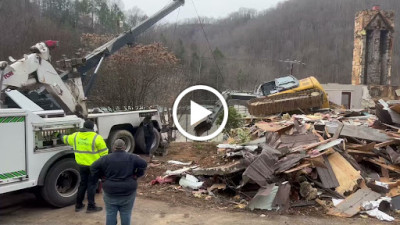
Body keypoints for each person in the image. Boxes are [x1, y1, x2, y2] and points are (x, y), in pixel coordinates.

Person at [91, 139, 147, 225]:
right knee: (126, 213)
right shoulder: (132, 157)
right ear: (124, 147)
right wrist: (137, 175)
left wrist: (101, 177)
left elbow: (93, 167)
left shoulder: (105, 158)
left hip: (110, 191)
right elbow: (143, 163)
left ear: (113, 148)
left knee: (110, 214)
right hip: (128, 191)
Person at [61, 120, 108, 213]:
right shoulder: (97, 138)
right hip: (94, 166)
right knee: (92, 185)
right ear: (92, 127)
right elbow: (104, 154)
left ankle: (78, 205)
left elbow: (65, 139)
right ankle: (91, 206)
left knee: (82, 184)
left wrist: (58, 135)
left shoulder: (75, 136)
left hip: (81, 165)